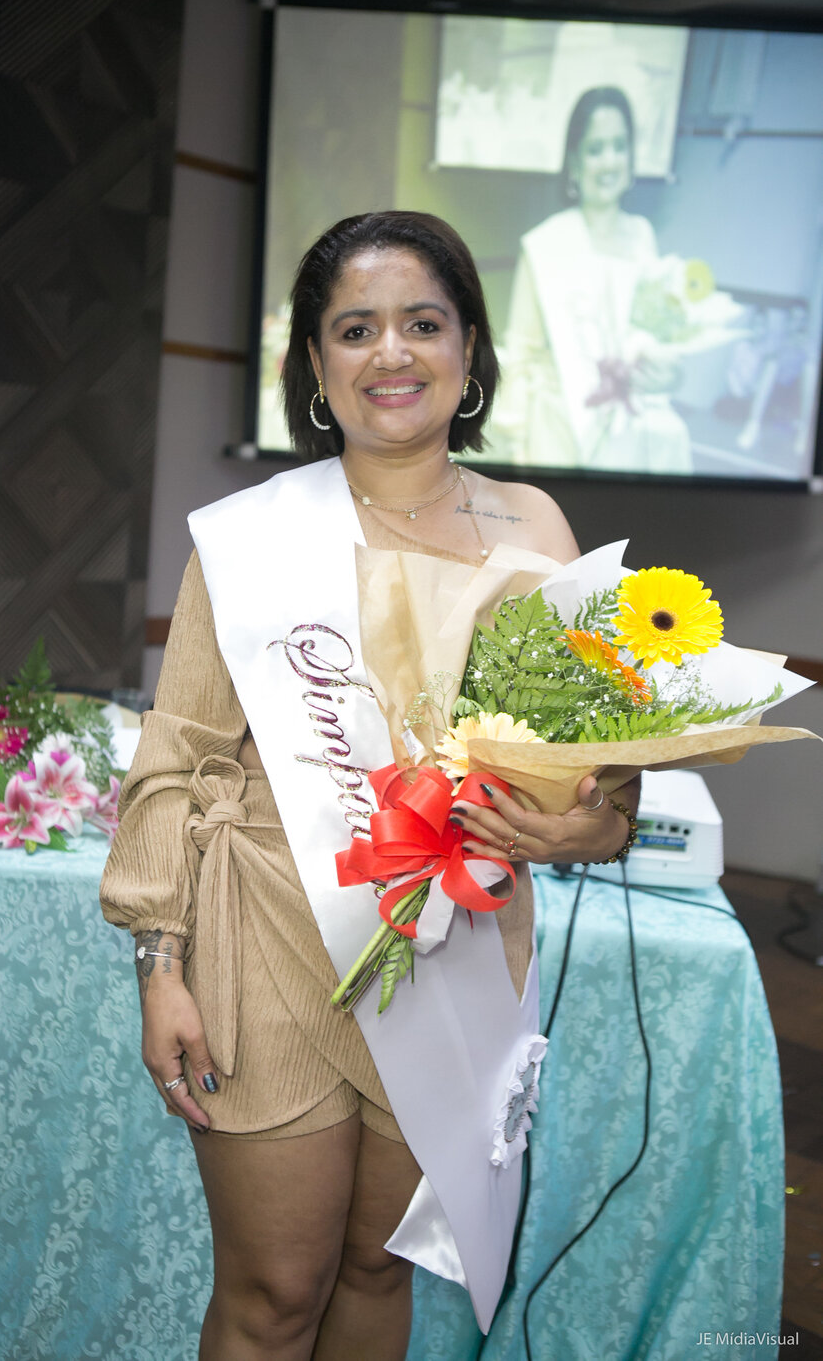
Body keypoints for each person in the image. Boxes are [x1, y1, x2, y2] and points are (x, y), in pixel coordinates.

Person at [100, 210, 640, 1361]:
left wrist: (590, 828)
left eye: (422, 323)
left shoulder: (536, 526)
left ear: (470, 347)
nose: (390, 352)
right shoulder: (253, 538)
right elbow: (175, 754)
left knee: (376, 1269)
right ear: (315, 363)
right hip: (270, 939)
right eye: (355, 329)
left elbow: (604, 777)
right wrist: (161, 965)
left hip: (458, 950)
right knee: (273, 1296)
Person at [490, 86, 692, 474]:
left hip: (626, 426)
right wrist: (517, 443)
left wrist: (667, 373)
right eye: (596, 149)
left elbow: (655, 338)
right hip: (557, 429)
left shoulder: (642, 236)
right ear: (575, 162)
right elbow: (521, 352)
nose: (609, 161)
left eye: (619, 146)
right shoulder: (544, 243)